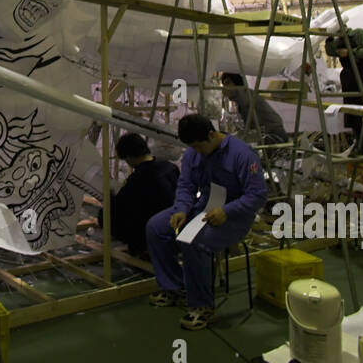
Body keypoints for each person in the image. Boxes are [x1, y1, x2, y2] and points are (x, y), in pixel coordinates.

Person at [146, 114, 267, 330]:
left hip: (234, 214)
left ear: (212, 135)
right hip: (204, 206)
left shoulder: (242, 155)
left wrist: (228, 211)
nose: (197, 152)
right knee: (156, 227)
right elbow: (186, 185)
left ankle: (202, 306)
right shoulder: (194, 153)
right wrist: (182, 209)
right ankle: (175, 287)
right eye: (193, 147)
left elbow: (257, 195)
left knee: (192, 241)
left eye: (200, 146)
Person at [81, 133, 178, 257]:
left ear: (129, 157)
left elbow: (121, 205)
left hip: (152, 228)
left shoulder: (139, 178)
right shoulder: (169, 167)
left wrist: (109, 198)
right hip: (173, 224)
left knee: (105, 215)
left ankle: (141, 246)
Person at [325, 28, 363, 155]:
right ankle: (359, 148)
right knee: (354, 117)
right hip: (349, 80)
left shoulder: (359, 34)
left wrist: (350, 52)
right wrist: (328, 39)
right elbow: (330, 51)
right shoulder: (339, 41)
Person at [219, 72, 287, 143]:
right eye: (224, 85)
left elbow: (249, 129)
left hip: (274, 136)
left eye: (227, 83)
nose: (224, 88)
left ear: (236, 82)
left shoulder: (244, 97)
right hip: (270, 133)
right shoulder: (244, 97)